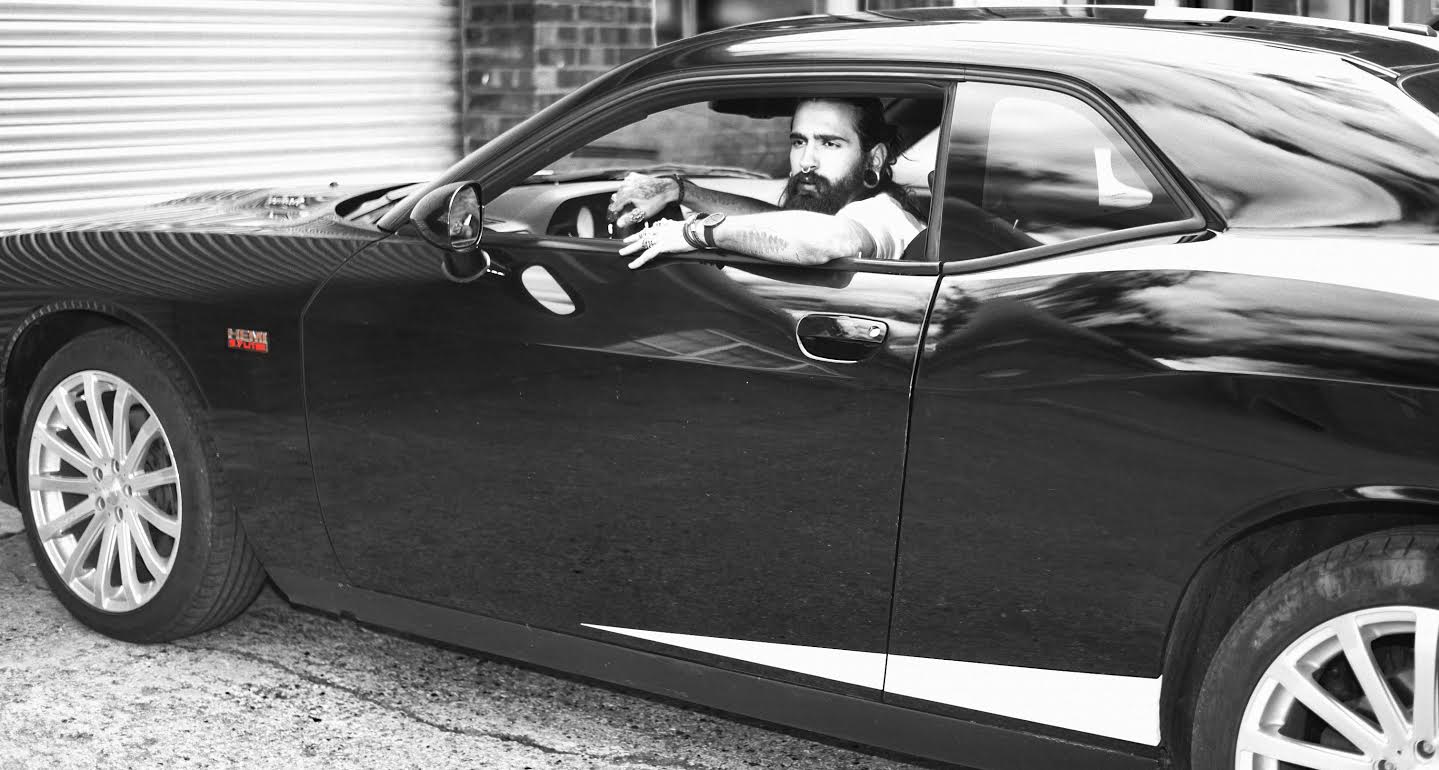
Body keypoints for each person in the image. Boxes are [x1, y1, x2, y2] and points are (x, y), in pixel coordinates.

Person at [612, 97, 925, 269]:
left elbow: (823, 239)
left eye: (830, 144)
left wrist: (694, 232)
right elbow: (780, 223)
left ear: (874, 159)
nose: (807, 161)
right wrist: (680, 191)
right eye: (799, 142)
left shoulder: (883, 215)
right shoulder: (843, 206)